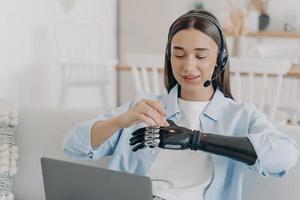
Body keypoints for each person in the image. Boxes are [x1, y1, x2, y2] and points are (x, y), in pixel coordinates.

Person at [63, 10, 299, 200]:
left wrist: (196, 140)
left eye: (200, 55)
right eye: (179, 54)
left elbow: (285, 155)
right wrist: (119, 121)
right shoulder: (144, 106)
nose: (187, 67)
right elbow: (73, 145)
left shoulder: (241, 115)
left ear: (220, 59)